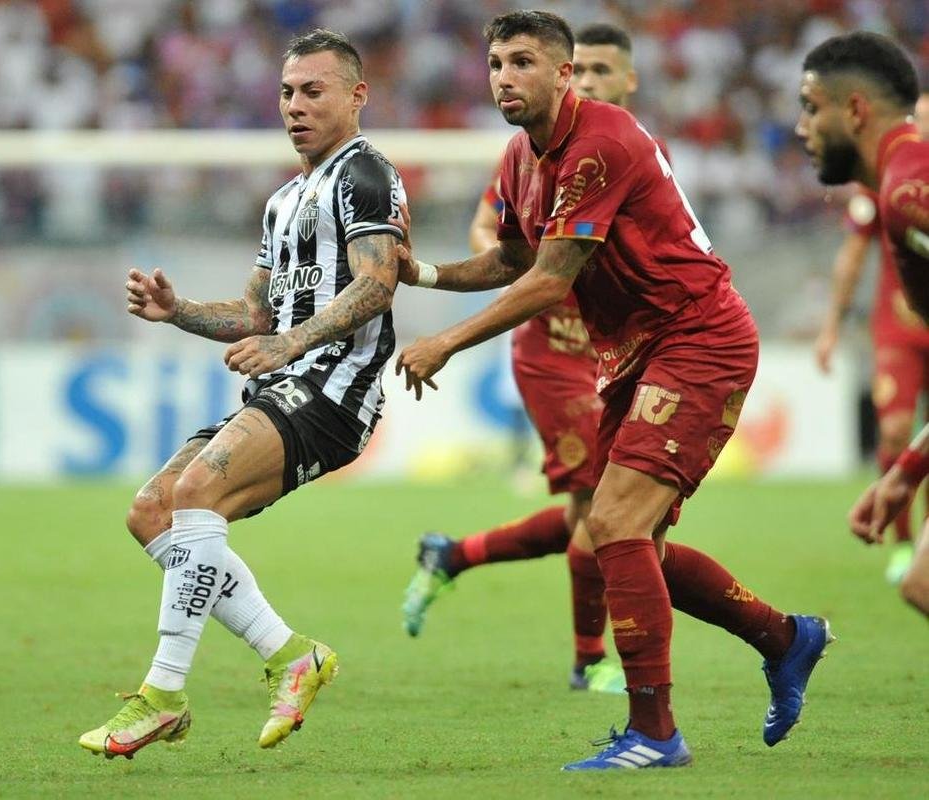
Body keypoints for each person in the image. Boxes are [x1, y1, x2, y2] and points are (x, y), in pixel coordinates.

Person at [394, 10, 831, 770]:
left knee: (614, 523)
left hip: (697, 336)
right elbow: (512, 258)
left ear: (564, 72)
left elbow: (550, 280)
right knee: (628, 543)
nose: (504, 77)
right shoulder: (518, 156)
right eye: (496, 63)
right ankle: (785, 637)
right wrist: (425, 274)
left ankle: (655, 732)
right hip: (634, 354)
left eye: (523, 61)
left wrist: (445, 342)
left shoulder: (601, 142)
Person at [78, 29, 406, 760]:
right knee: (152, 511)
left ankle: (162, 696)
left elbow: (378, 283)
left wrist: (292, 344)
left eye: (313, 90)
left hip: (334, 390)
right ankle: (292, 655)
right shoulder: (284, 200)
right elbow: (257, 314)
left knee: (197, 492)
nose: (295, 105)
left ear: (356, 96)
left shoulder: (365, 175)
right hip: (281, 383)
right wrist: (179, 311)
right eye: (287, 92)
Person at [402, 23, 651, 697]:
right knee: (604, 508)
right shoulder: (526, 154)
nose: (590, 80)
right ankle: (589, 659)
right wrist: (442, 277)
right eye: (496, 64)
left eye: (601, 70)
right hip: (552, 348)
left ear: (625, 80)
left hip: (614, 348)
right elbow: (500, 239)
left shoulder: (627, 149)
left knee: (599, 513)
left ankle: (452, 555)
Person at [795, 32, 929, 617]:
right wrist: (906, 474)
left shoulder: (911, 193)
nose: (802, 128)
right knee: (920, 582)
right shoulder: (897, 188)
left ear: (854, 110)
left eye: (811, 108)